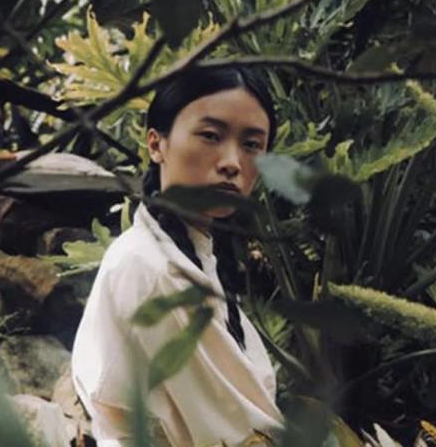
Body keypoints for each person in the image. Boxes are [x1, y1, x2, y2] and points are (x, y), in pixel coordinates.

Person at [71, 66, 284, 447]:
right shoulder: (152, 269)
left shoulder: (190, 257)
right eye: (211, 136)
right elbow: (238, 431)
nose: (232, 162)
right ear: (156, 144)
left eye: (252, 145)